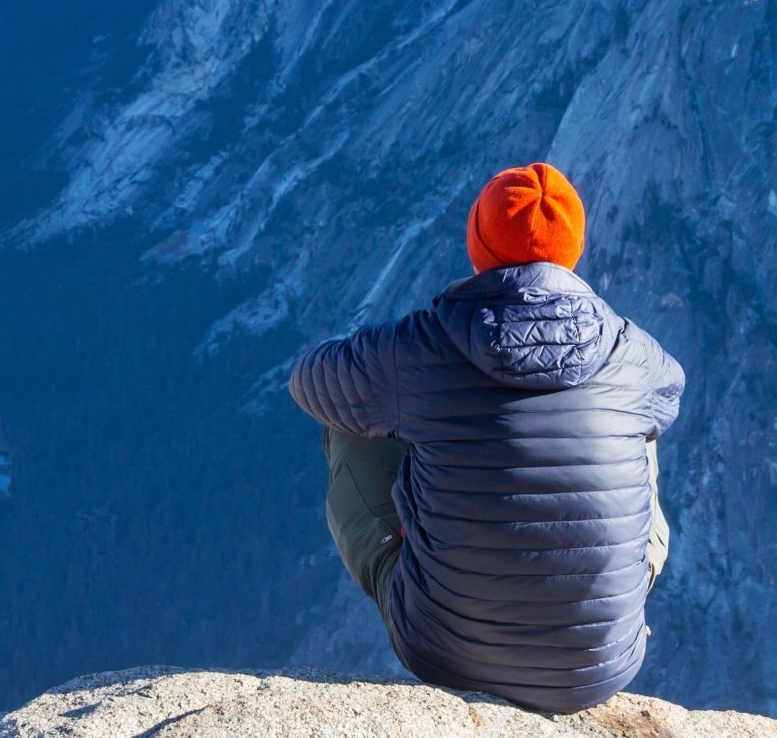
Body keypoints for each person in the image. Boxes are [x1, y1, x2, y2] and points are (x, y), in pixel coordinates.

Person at [287, 162, 684, 714]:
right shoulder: (632, 354)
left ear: (478, 246)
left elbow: (308, 382)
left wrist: (409, 394)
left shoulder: (418, 349)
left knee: (348, 419)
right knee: (638, 427)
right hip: (597, 667)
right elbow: (671, 394)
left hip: (444, 651)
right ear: (573, 250)